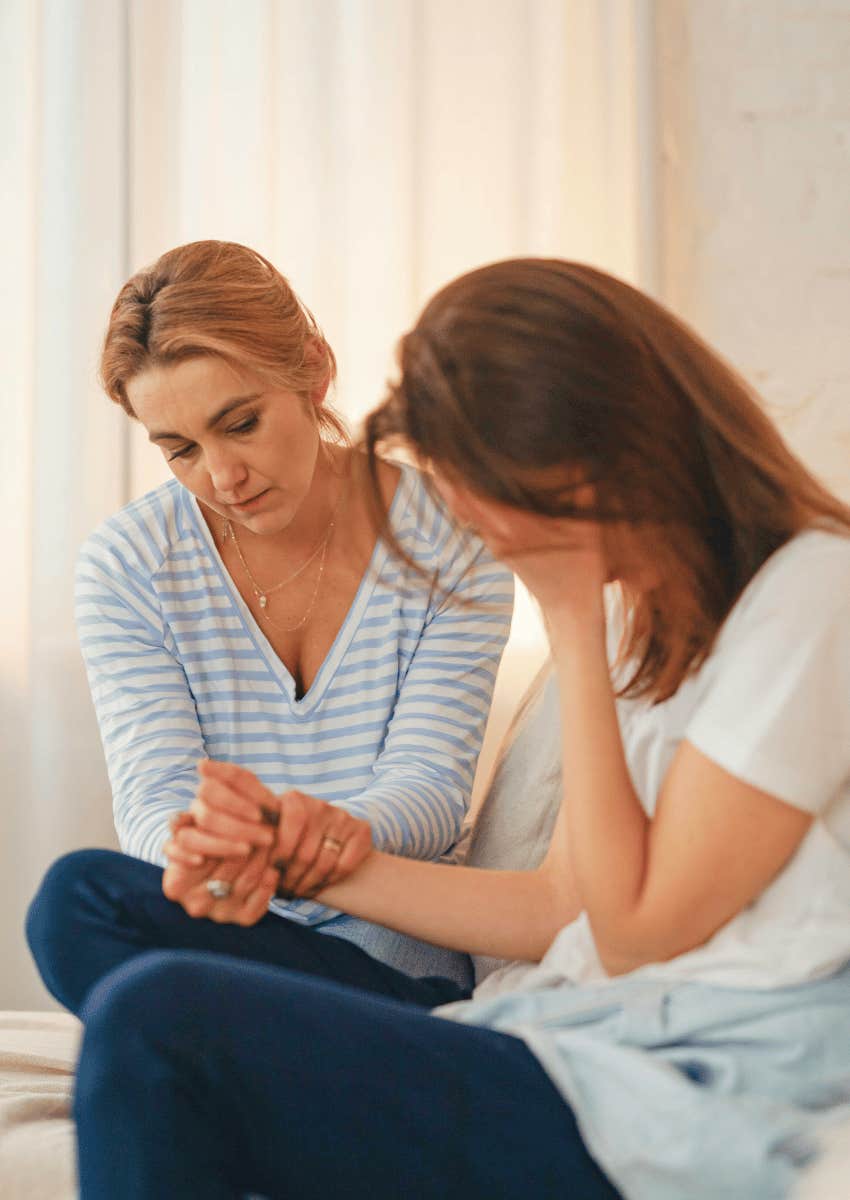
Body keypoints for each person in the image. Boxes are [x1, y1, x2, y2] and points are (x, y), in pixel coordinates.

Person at [29, 259, 850, 1200]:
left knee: (155, 1018)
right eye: (180, 447)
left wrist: (570, 617)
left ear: (594, 448)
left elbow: (631, 939)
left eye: (477, 482)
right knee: (92, 917)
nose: (462, 517)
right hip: (571, 1033)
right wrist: (303, 859)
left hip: (673, 1073)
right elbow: (561, 907)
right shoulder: (656, 611)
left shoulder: (810, 595)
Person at [31, 239, 513, 988]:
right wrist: (205, 853)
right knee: (74, 899)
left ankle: (229, 1028)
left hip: (385, 925)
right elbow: (155, 803)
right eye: (180, 450)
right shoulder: (127, 565)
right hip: (233, 921)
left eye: (241, 424)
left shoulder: (453, 534)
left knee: (157, 1000)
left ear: (314, 369)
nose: (222, 476)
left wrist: (296, 845)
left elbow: (429, 792)